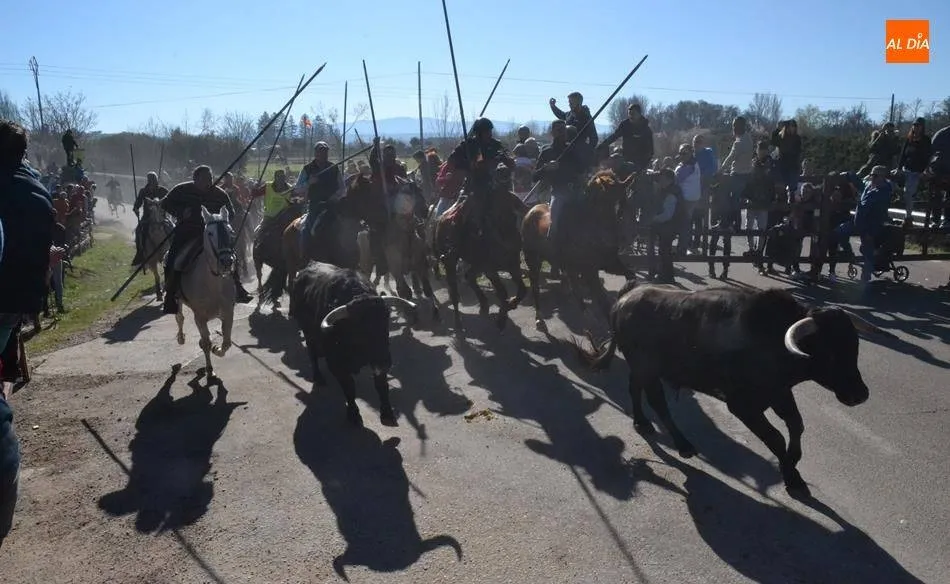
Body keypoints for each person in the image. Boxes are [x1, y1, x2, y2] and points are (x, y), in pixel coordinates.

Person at [159, 165, 253, 314]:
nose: (208, 182)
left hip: (213, 233)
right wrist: (181, 212)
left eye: (210, 179)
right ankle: (171, 295)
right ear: (195, 179)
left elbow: (231, 212)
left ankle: (238, 287)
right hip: (188, 232)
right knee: (173, 259)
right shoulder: (181, 190)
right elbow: (164, 203)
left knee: (229, 254)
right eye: (204, 179)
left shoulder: (220, 194)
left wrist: (218, 221)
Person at [442, 117, 514, 239]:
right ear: (479, 133)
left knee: (511, 207)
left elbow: (508, 159)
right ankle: (454, 243)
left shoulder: (496, 145)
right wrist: (468, 164)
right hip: (473, 186)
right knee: (463, 214)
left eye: (490, 131)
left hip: (495, 186)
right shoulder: (468, 145)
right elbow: (451, 160)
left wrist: (507, 161)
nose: (489, 134)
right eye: (486, 132)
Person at [832, 165, 893, 283]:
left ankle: (865, 278)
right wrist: (844, 174)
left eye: (875, 176)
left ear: (882, 177)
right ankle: (849, 254)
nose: (872, 178)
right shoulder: (869, 186)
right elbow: (857, 180)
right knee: (839, 231)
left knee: (867, 249)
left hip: (872, 224)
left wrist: (858, 199)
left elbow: (866, 206)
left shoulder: (883, 192)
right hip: (859, 221)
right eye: (871, 175)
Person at [533, 120, 584, 245]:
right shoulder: (546, 152)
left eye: (564, 130)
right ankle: (552, 243)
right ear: (552, 132)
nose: (562, 133)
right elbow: (534, 176)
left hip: (576, 191)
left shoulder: (572, 150)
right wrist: (546, 167)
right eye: (559, 130)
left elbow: (581, 169)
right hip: (558, 192)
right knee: (554, 219)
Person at [293, 142, 345, 252]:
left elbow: (342, 188)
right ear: (316, 153)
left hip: (332, 205)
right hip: (315, 205)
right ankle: (304, 254)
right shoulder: (307, 169)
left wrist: (335, 196)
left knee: (348, 226)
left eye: (325, 152)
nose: (323, 154)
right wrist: (309, 183)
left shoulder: (334, 168)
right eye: (321, 151)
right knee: (307, 230)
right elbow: (297, 189)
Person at [717, 116, 754, 232]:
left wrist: (721, 170)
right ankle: (734, 224)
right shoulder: (748, 138)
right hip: (746, 173)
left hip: (738, 174)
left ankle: (726, 223)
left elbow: (731, 157)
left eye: (734, 125)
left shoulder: (739, 142)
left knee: (724, 195)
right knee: (735, 199)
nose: (733, 128)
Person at [647, 168, 684, 283]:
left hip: (670, 226)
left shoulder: (671, 193)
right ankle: (667, 276)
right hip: (669, 225)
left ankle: (667, 276)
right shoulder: (667, 190)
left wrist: (653, 219)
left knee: (664, 251)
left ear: (669, 180)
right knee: (664, 251)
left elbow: (667, 215)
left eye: (662, 178)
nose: (659, 180)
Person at [598, 103, 654, 171]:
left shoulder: (646, 129)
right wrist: (602, 145)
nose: (631, 116)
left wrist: (644, 166)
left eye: (633, 114)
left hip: (640, 161)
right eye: (629, 114)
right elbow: (614, 136)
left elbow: (650, 150)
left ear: (639, 114)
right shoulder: (625, 125)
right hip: (626, 157)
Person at [897, 117, 932, 220]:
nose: (916, 127)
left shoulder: (926, 140)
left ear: (922, 127)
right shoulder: (909, 139)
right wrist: (899, 168)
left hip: (917, 172)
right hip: (905, 168)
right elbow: (903, 155)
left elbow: (929, 157)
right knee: (889, 180)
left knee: (909, 192)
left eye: (918, 126)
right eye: (914, 125)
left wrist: (925, 170)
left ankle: (908, 217)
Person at [131, 172, 169, 265]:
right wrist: (136, 209)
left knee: (172, 229)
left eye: (154, 180)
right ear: (148, 181)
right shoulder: (143, 191)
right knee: (138, 231)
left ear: (156, 180)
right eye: (151, 180)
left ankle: (173, 252)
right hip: (147, 218)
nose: (153, 182)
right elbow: (138, 203)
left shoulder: (162, 190)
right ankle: (140, 254)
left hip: (162, 218)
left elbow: (170, 201)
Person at [674, 143, 702, 256]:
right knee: (684, 223)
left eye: (684, 153)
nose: (682, 155)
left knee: (684, 224)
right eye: (680, 153)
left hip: (687, 198)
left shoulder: (690, 165)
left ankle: (682, 249)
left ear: (691, 153)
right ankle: (683, 247)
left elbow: (677, 178)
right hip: (688, 197)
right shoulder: (688, 164)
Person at [770, 119, 803, 194]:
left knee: (792, 188)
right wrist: (778, 129)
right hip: (782, 165)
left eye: (794, 127)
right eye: (790, 126)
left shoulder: (797, 138)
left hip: (793, 165)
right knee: (781, 187)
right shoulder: (781, 137)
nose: (792, 128)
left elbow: (798, 152)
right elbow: (773, 141)